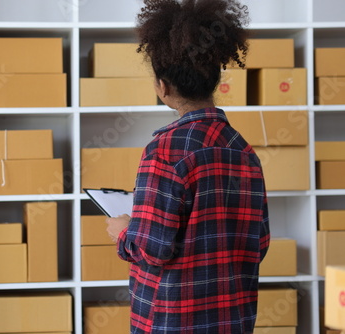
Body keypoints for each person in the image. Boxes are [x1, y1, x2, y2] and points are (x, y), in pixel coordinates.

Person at [105, 0, 270, 333]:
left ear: (163, 87)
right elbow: (260, 241)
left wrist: (123, 229)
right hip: (233, 321)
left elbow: (152, 248)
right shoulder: (244, 151)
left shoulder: (164, 151)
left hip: (172, 321)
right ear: (214, 79)